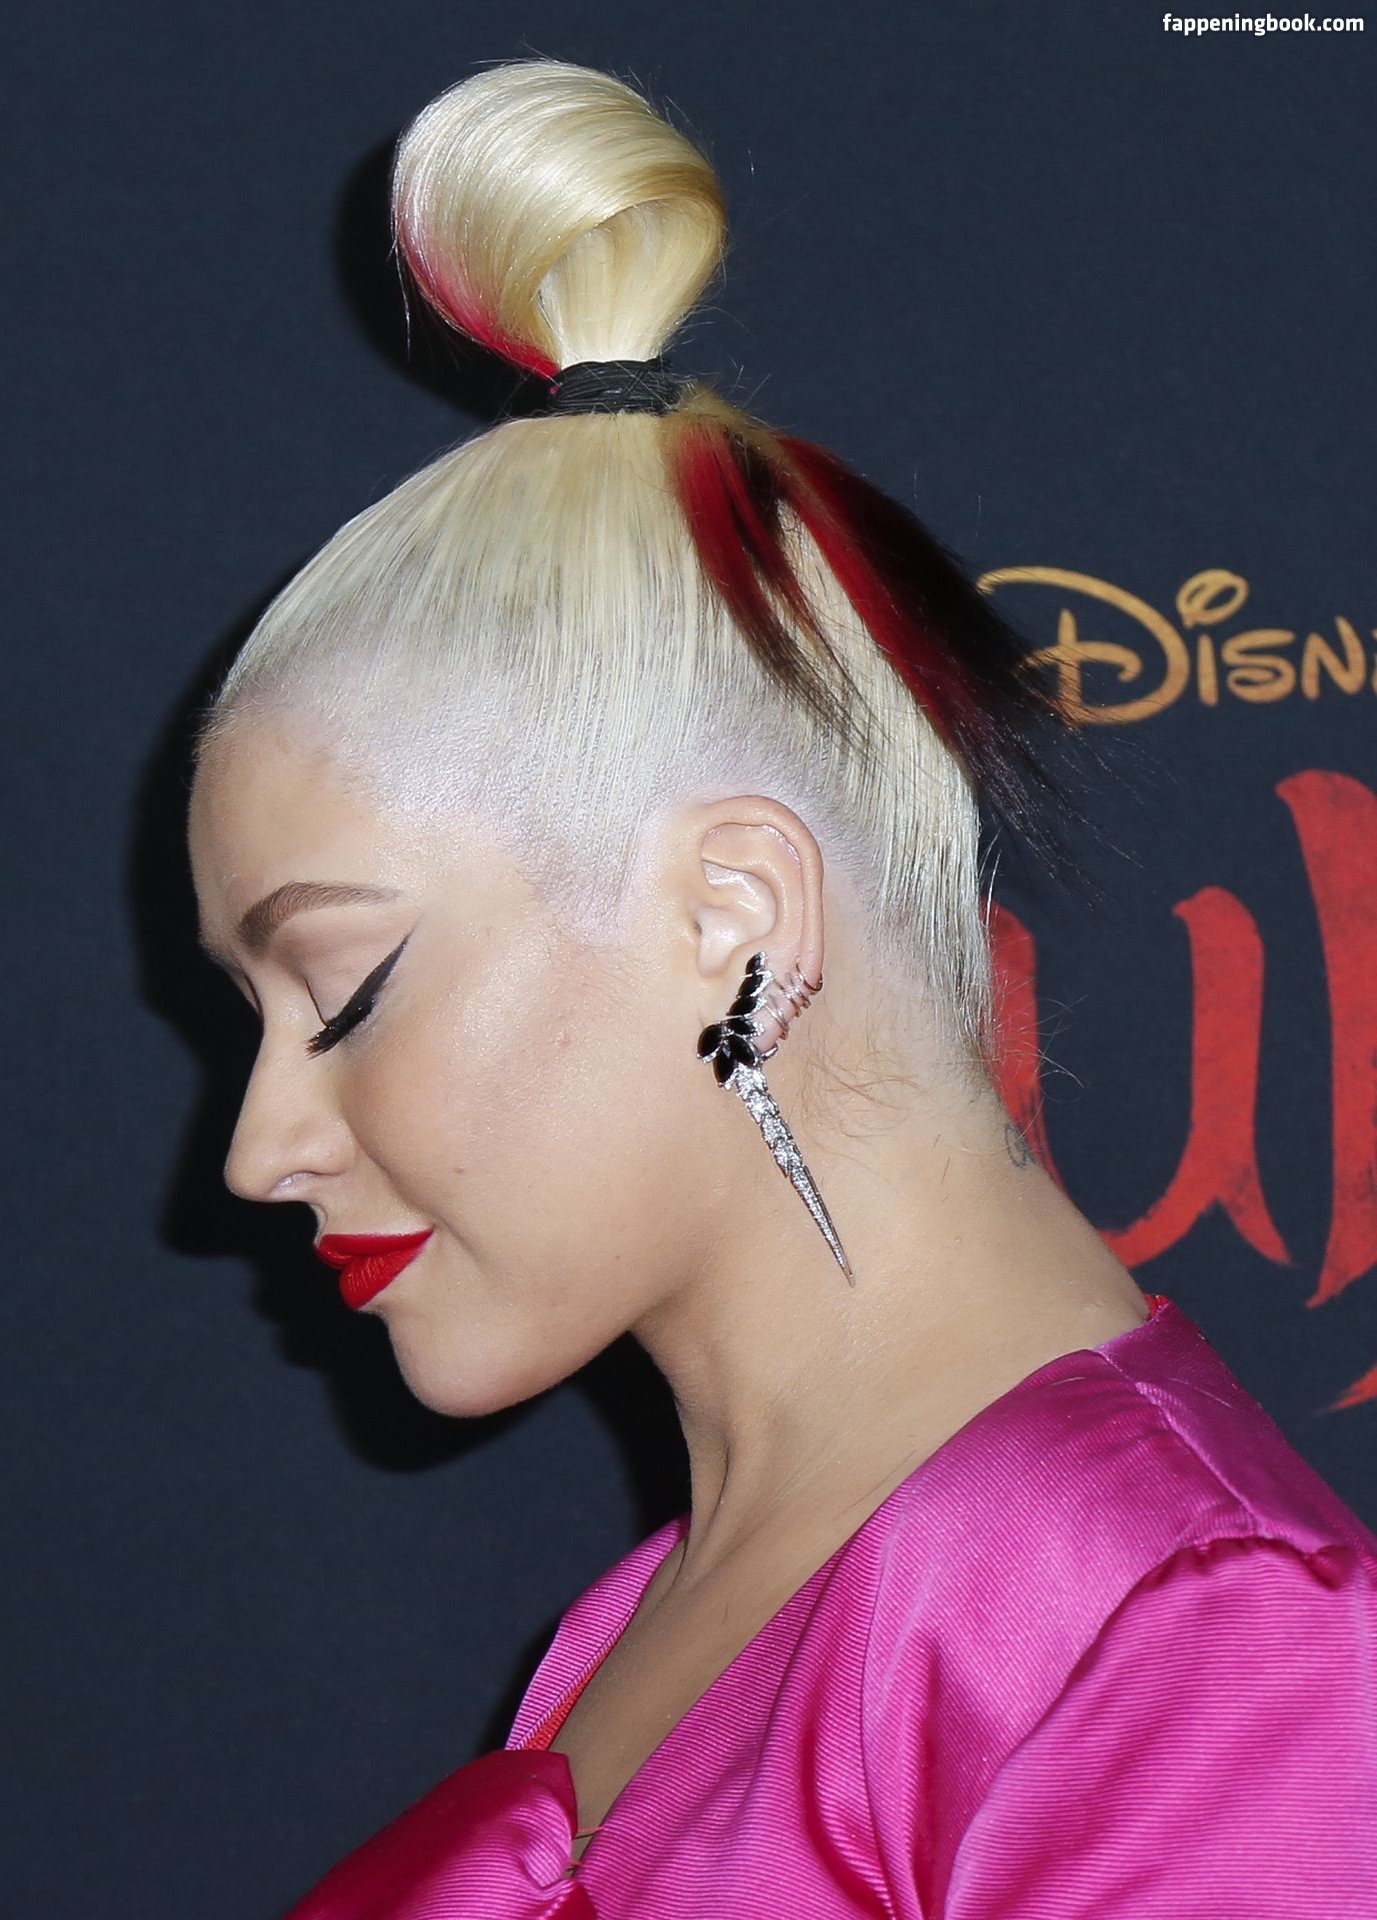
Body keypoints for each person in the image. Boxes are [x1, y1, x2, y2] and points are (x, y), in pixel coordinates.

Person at [185, 57, 1377, 1920]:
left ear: (736, 915)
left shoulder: (1182, 1637)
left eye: (339, 992)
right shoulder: (640, 1628)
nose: (259, 1149)